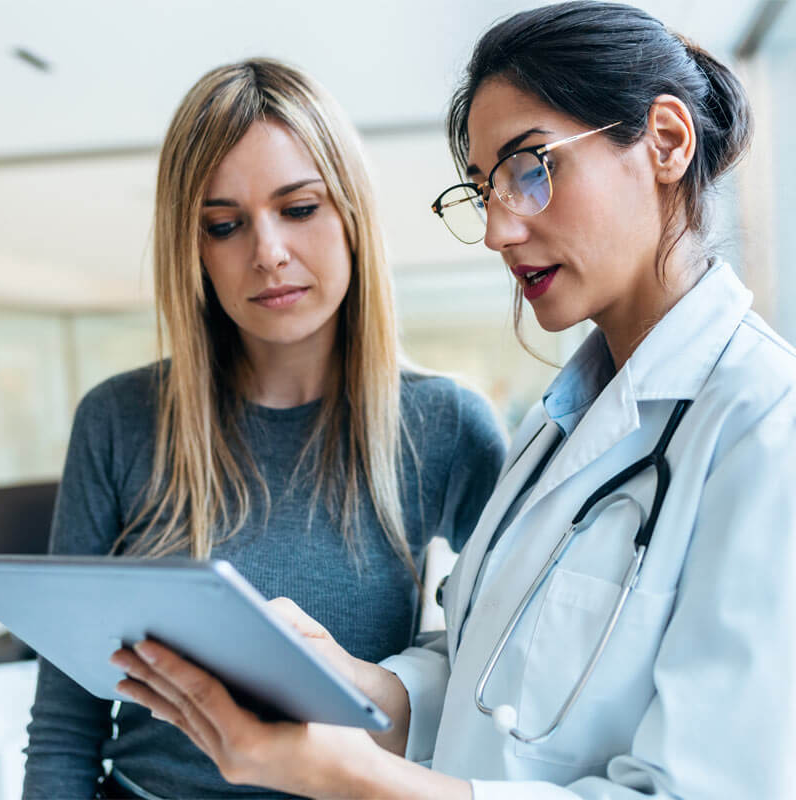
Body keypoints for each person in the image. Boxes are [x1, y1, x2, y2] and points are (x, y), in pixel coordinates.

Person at [109, 3, 796, 798]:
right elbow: (488, 675)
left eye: (532, 167)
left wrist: (346, 776)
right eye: (484, 190)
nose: (499, 229)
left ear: (667, 142)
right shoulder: (559, 425)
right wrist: (358, 684)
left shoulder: (764, 424)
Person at [22, 58, 506, 800]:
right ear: (196, 249)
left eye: (300, 208)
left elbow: (503, 669)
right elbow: (65, 724)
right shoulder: (120, 420)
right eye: (225, 224)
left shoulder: (446, 424)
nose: (268, 252)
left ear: (351, 214)